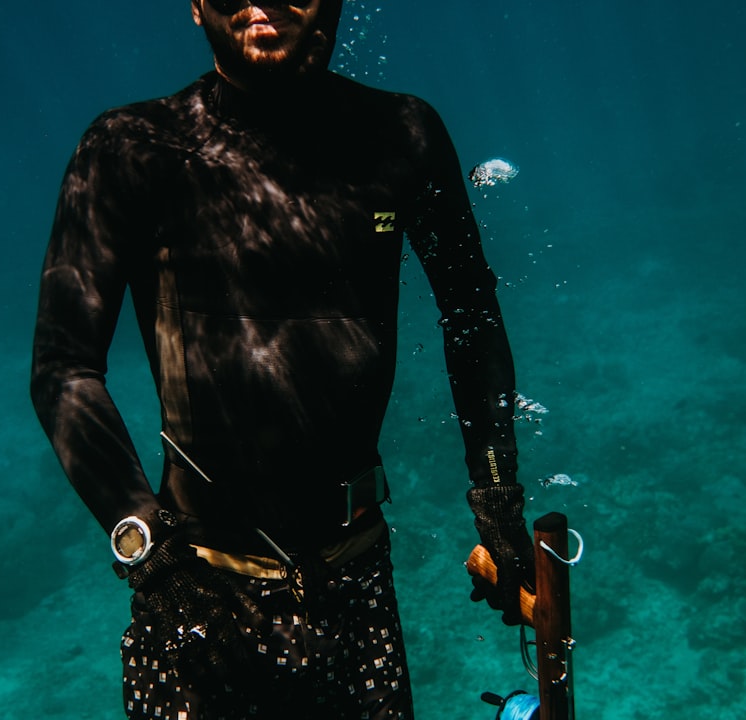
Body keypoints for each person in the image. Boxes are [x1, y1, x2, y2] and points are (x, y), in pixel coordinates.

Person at [30, 1, 533, 718]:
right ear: (196, 2)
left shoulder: (403, 136)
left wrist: (498, 503)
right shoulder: (130, 148)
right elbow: (62, 366)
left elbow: (471, 318)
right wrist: (147, 547)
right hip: (192, 594)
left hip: (355, 589)